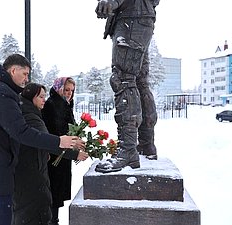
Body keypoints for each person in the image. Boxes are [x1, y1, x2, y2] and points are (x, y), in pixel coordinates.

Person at [0, 54, 81, 225]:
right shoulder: (2, 92)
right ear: (13, 70)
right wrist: (58, 142)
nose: (26, 78)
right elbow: (21, 131)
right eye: (25, 73)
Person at [95, 0, 160, 173]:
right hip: (140, 18)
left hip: (131, 19)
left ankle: (128, 150)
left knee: (123, 79)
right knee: (139, 81)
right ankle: (146, 145)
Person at [12, 83, 88, 225]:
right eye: (40, 96)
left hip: (33, 168)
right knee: (36, 211)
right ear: (31, 97)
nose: (44, 100)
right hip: (33, 171)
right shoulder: (33, 116)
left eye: (72, 90)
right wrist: (74, 154)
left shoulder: (32, 112)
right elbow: (47, 140)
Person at [41, 77, 79, 225]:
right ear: (58, 88)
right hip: (54, 153)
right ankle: (52, 221)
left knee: (57, 192)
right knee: (53, 192)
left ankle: (54, 219)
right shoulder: (51, 104)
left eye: (71, 90)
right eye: (66, 89)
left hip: (63, 154)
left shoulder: (65, 104)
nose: (69, 93)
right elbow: (52, 130)